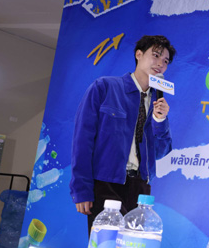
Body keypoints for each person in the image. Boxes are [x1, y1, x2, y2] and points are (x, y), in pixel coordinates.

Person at [70, 35, 176, 232]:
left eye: (165, 61)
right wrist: (81, 189)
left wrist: (160, 120)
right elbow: (82, 141)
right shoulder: (105, 87)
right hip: (106, 183)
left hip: (140, 187)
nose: (160, 64)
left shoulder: (157, 103)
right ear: (138, 54)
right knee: (105, 246)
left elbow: (160, 151)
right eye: (155, 55)